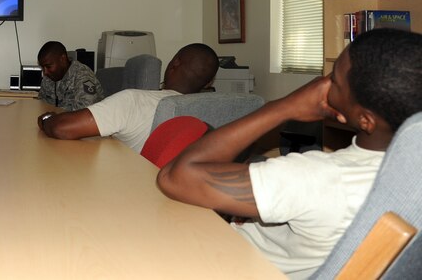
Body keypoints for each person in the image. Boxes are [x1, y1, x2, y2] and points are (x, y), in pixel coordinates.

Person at [157, 29, 422, 279]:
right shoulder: (408, 179)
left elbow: (174, 176)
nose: (323, 83)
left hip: (232, 263)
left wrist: (283, 107)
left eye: (334, 81)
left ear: (365, 120)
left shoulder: (320, 178)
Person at [37, 43, 219, 151]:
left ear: (174, 63)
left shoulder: (133, 101)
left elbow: (62, 128)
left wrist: (47, 119)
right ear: (209, 82)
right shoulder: (216, 113)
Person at [36, 41, 104, 111]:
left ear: (62, 59)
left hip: (82, 121)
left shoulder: (83, 76)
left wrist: (57, 116)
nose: (45, 72)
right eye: (42, 67)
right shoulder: (50, 76)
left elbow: (86, 111)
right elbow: (41, 103)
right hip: (57, 120)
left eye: (48, 66)